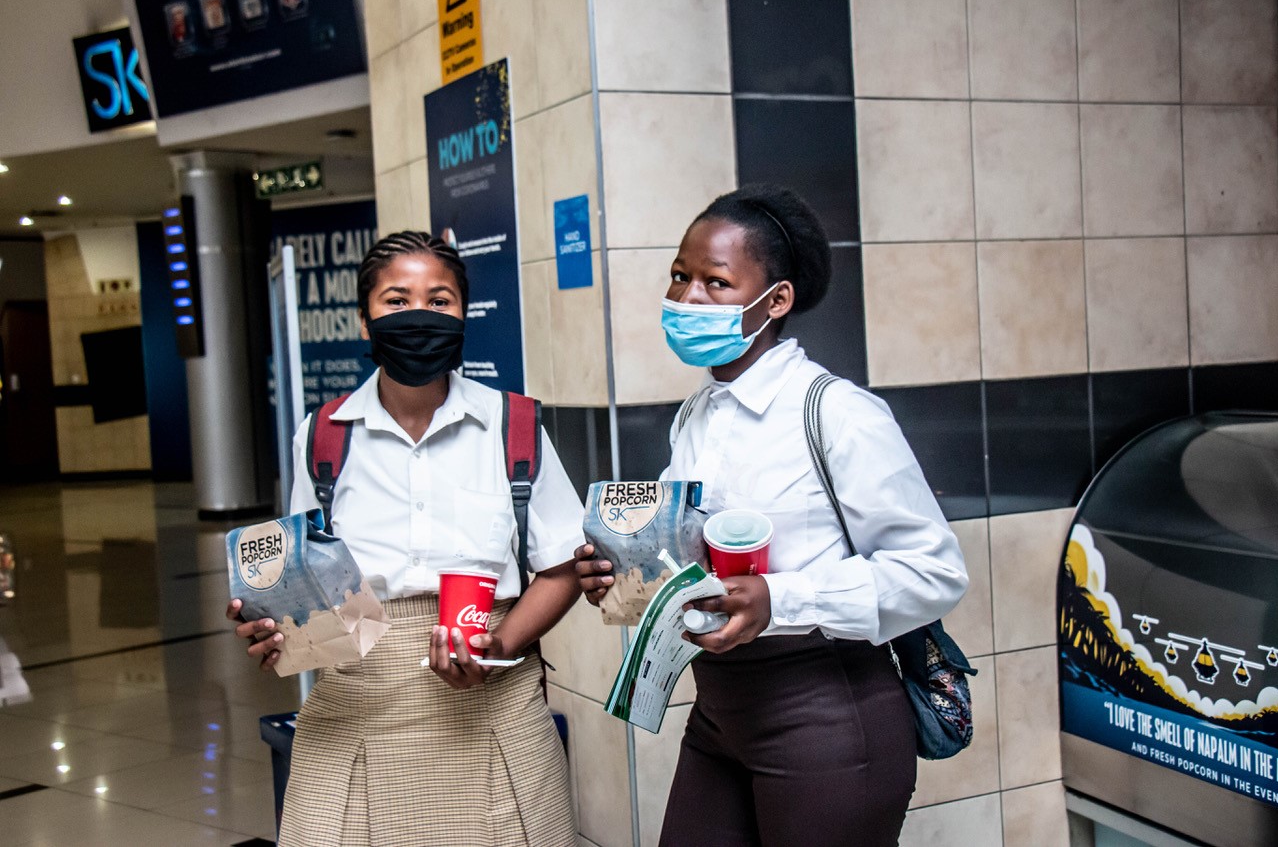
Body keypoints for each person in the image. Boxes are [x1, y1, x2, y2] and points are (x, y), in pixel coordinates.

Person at [576, 184, 969, 846]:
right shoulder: (698, 413)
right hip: (720, 710)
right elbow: (691, 554)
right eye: (679, 276)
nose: (687, 298)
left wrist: (778, 599)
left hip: (826, 716)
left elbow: (936, 573)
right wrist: (623, 572)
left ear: (776, 300)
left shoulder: (837, 414)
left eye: (715, 282)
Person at [227, 231, 583, 847]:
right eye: (397, 300)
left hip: (494, 709)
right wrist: (279, 628)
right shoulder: (323, 436)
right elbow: (311, 584)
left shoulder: (513, 425)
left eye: (439, 301)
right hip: (355, 711)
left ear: (464, 315)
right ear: (364, 320)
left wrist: (500, 644)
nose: (419, 315)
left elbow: (562, 567)